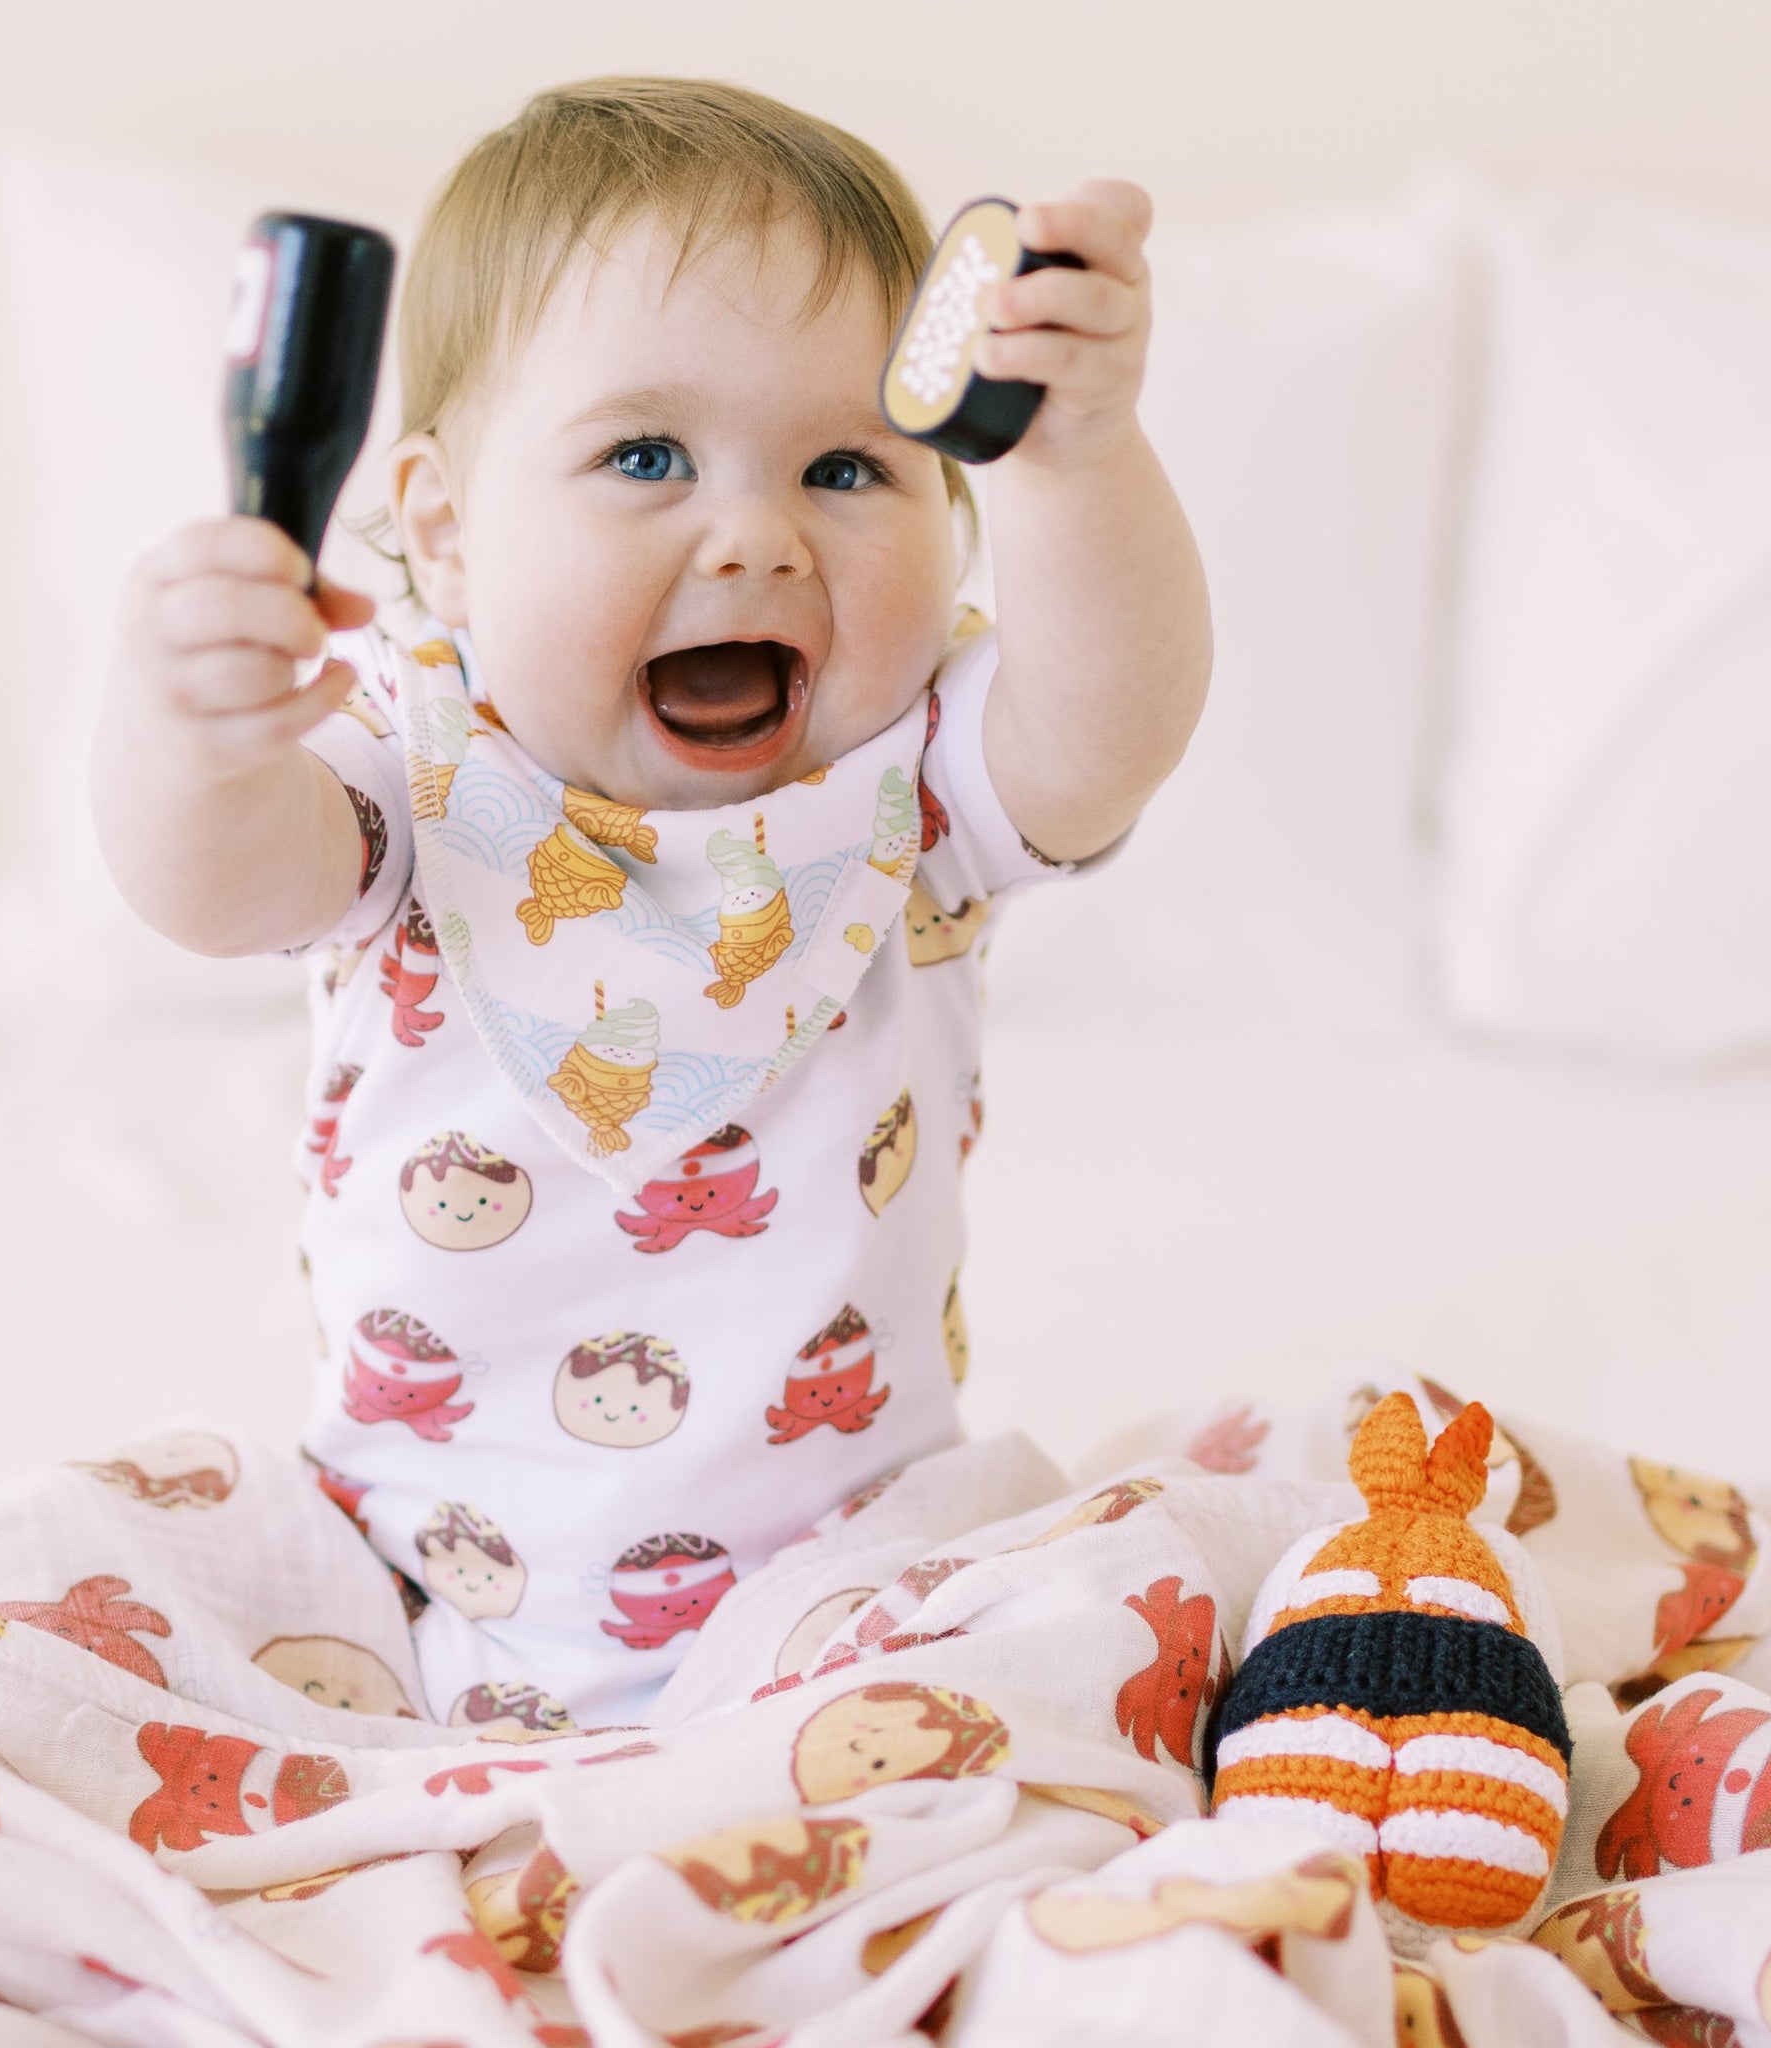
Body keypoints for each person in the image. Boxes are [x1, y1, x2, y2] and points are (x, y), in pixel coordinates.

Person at [91, 76, 1210, 1726]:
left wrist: (1080, 457)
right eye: (645, 455)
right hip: (404, 1579)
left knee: (1113, 1669)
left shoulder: (919, 791)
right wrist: (181, 730)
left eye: (849, 466)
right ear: (450, 533)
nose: (755, 535)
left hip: (853, 1594)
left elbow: (1118, 723)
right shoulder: (412, 768)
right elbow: (212, 880)